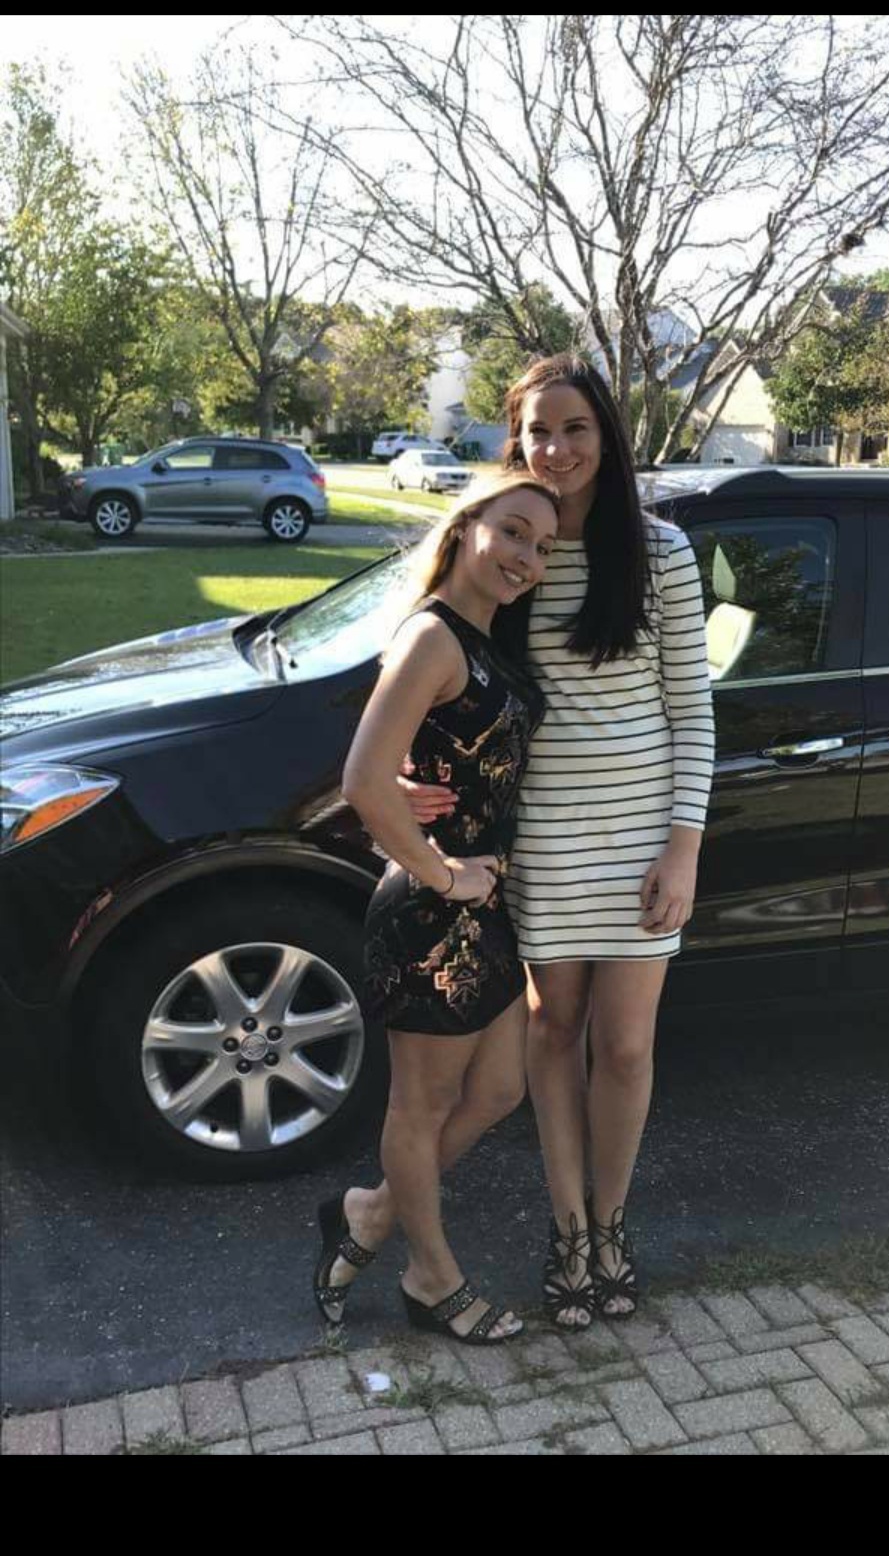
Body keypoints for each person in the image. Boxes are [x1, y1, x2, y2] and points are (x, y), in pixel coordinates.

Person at [404, 355, 714, 1328]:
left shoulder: (662, 554)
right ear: (517, 440)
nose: (556, 448)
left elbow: (692, 712)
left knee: (624, 1046)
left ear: (606, 436)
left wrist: (683, 847)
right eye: (538, 430)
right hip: (537, 838)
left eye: (575, 428)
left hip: (639, 841)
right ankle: (569, 1230)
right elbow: (433, 650)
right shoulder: (514, 549)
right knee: (554, 1032)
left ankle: (612, 1224)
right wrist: (408, 768)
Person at [312, 469, 559, 1345]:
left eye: (542, 546)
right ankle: (431, 1275)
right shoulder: (432, 636)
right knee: (418, 1108)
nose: (527, 557)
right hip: (431, 916)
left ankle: (371, 1213)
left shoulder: (485, 637)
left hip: (485, 909)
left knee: (499, 1088)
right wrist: (442, 874)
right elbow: (362, 780)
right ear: (465, 528)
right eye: (513, 532)